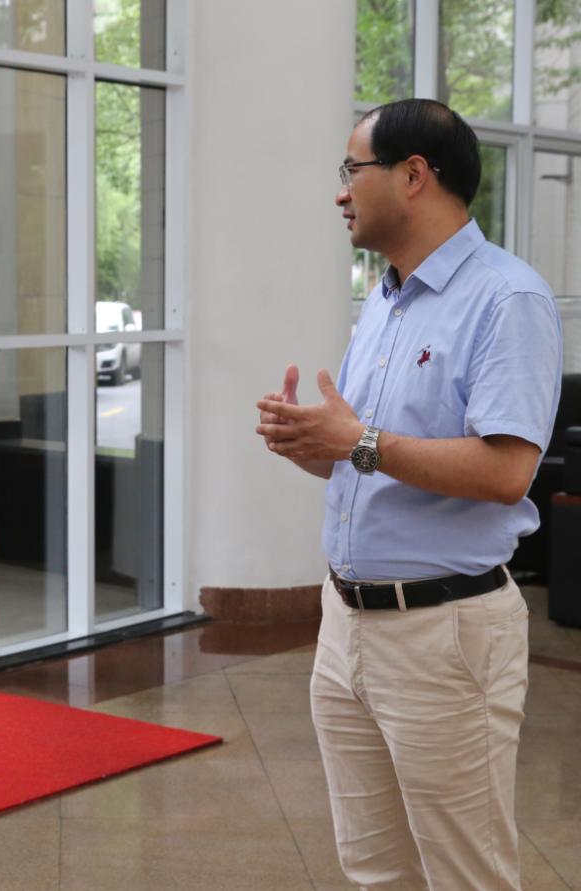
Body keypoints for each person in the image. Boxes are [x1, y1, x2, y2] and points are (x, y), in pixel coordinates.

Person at [255, 98, 562, 890]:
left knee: (466, 873)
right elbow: (373, 456)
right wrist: (312, 442)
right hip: (345, 625)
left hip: (443, 634)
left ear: (414, 175)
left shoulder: (508, 299)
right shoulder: (384, 298)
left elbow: (506, 472)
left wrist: (355, 440)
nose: (341, 191)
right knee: (374, 867)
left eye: (352, 169)